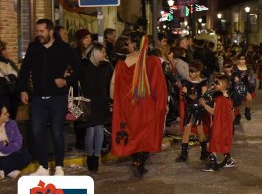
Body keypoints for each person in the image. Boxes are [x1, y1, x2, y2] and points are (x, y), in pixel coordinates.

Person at [18, 18, 82, 176]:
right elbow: (25, 70)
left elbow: (79, 68)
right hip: (38, 98)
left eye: (42, 31)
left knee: (57, 132)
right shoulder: (34, 47)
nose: (39, 34)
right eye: (37, 31)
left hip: (58, 98)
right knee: (36, 132)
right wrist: (23, 90)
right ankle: (43, 167)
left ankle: (59, 166)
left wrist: (66, 81)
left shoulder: (63, 48)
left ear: (50, 31)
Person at [110, 32, 168, 178]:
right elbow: (160, 86)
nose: (127, 45)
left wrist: (113, 101)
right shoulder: (153, 61)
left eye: (129, 42)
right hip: (146, 106)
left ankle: (136, 160)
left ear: (135, 44)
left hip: (127, 106)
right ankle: (139, 160)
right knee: (146, 134)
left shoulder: (121, 63)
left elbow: (113, 83)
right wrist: (163, 103)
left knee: (132, 132)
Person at [79, 43, 112, 173]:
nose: (104, 54)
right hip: (88, 102)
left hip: (101, 101)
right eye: (102, 52)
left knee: (99, 128)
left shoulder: (106, 66)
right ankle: (90, 157)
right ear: (95, 53)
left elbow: (111, 83)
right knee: (90, 130)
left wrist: (111, 101)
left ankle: (96, 157)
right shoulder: (83, 66)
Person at [176, 60, 210, 162]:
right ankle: (184, 154)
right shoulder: (186, 82)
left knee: (200, 130)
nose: (190, 73)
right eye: (189, 71)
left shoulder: (203, 82)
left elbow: (205, 96)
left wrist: (198, 99)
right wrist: (188, 96)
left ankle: (204, 152)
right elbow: (184, 95)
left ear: (198, 72)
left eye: (193, 71)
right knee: (187, 130)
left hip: (198, 109)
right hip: (190, 109)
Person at [200, 74, 235, 172]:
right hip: (226, 125)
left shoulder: (218, 97)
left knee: (210, 143)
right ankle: (228, 161)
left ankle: (213, 164)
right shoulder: (228, 97)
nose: (214, 84)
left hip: (220, 125)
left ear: (224, 85)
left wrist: (204, 104)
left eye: (217, 83)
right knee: (222, 142)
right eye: (214, 82)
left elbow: (213, 112)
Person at [0, 103, 32, 180]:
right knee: (3, 162)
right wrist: (2, 145)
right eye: (5, 114)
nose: (8, 114)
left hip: (11, 155)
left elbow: (18, 143)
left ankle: (3, 171)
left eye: (7, 112)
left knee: (27, 157)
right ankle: (12, 172)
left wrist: (5, 147)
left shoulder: (11, 124)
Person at [233, 55, 256, 124]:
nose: (243, 60)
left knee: (249, 99)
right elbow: (234, 77)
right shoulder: (235, 68)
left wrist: (251, 79)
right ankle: (237, 115)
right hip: (237, 86)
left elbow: (251, 76)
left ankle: (247, 110)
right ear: (238, 60)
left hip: (247, 86)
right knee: (236, 103)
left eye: (244, 59)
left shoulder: (248, 67)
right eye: (241, 59)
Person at [0, 40, 19, 119]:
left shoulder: (8, 62)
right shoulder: (5, 62)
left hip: (11, 100)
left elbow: (16, 74)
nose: (7, 51)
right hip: (6, 101)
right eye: (4, 50)